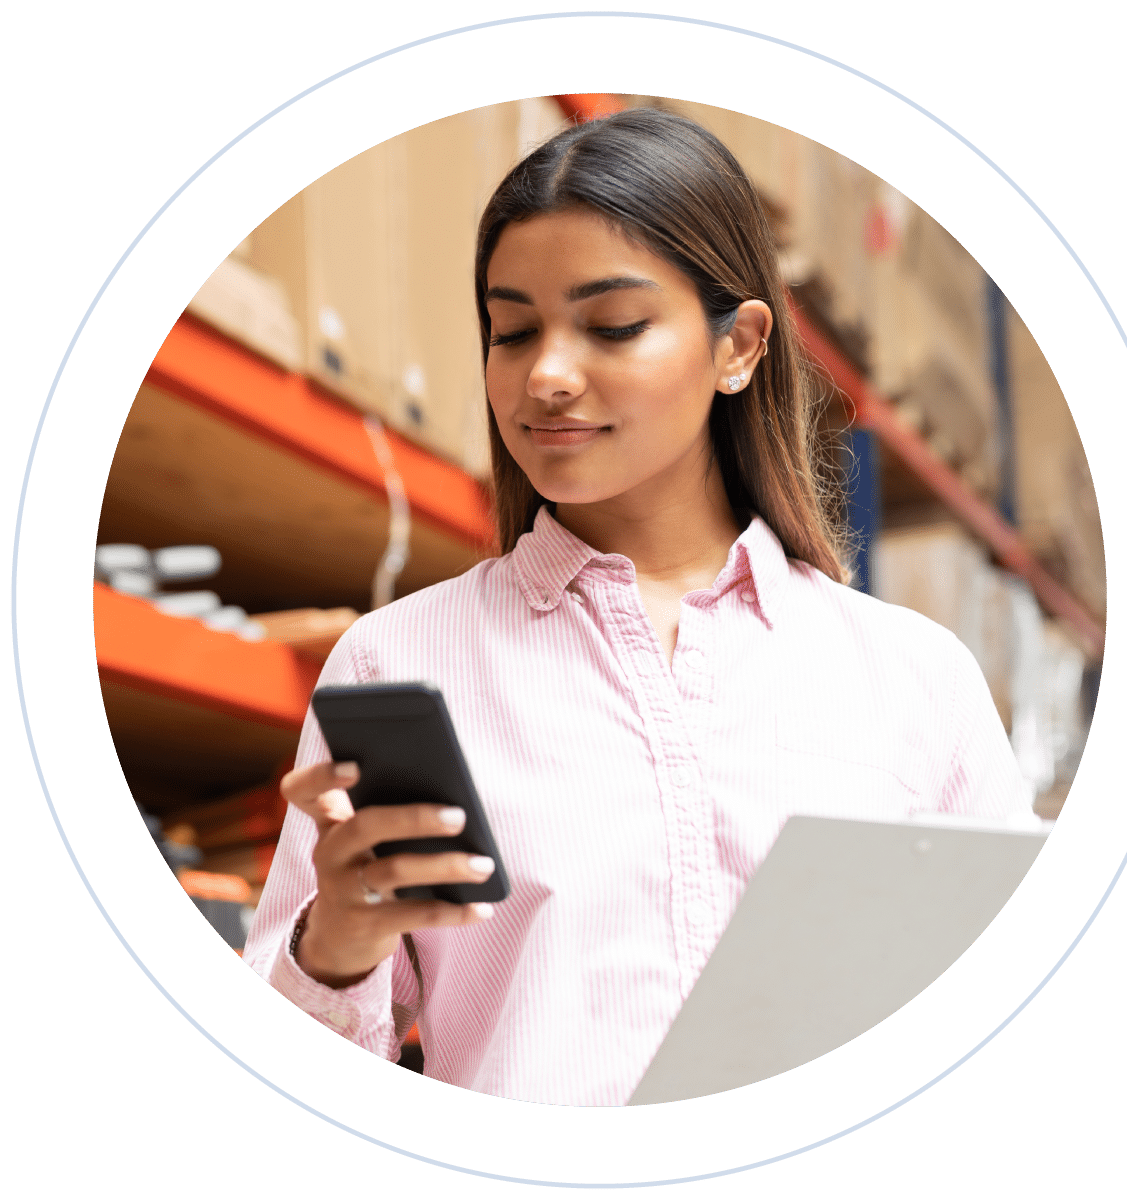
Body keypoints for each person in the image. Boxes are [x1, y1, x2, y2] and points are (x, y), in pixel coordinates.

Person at [243, 108, 1030, 1107]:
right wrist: (339, 947)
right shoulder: (397, 663)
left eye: (612, 326)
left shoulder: (912, 676)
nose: (547, 376)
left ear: (739, 346)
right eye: (512, 330)